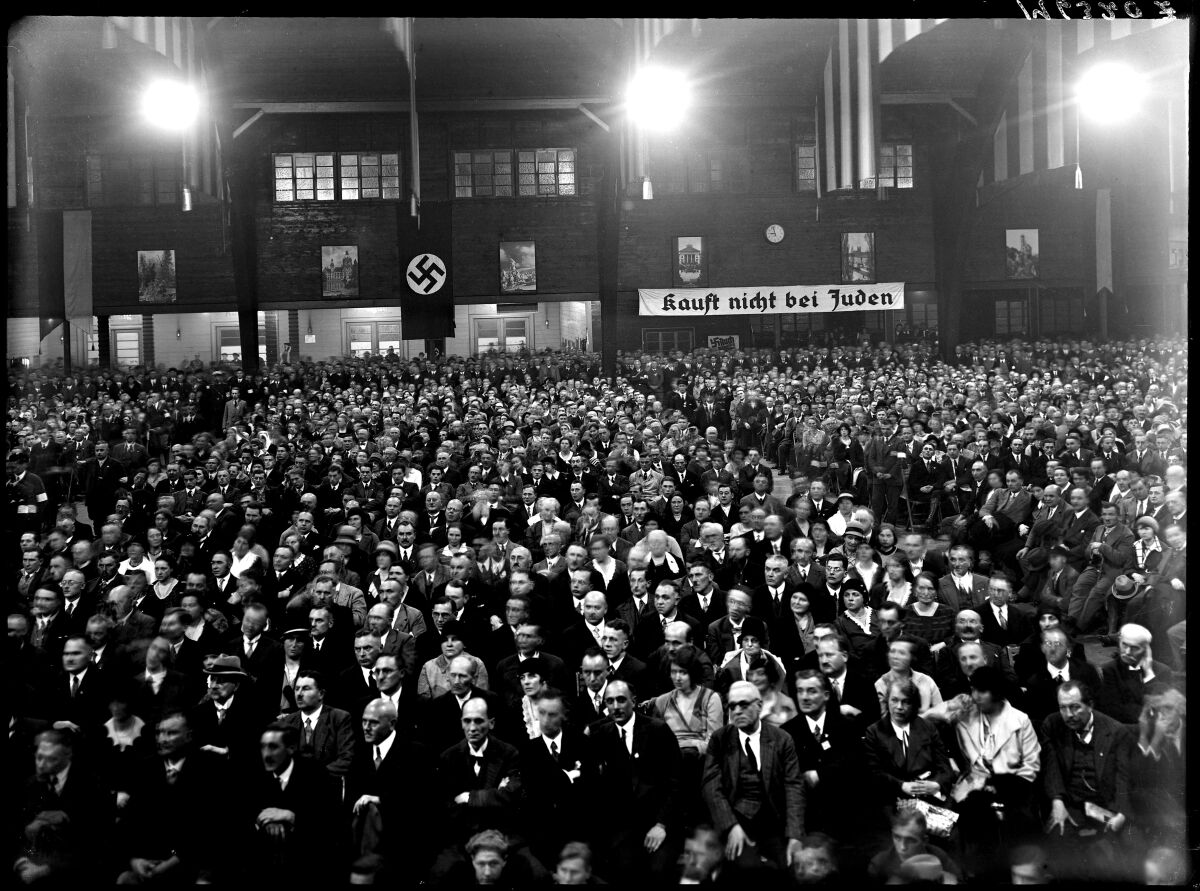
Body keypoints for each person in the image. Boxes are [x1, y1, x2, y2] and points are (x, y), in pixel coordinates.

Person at [701, 680, 806, 870]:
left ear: (759, 705)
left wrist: (794, 835)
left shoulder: (781, 739)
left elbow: (793, 787)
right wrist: (731, 826)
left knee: (791, 867)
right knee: (748, 869)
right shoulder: (720, 739)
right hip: (737, 820)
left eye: (744, 704)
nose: (737, 711)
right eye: (732, 706)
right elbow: (711, 787)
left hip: (773, 821)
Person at [584, 679, 682, 881]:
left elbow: (676, 782)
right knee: (622, 868)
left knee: (658, 870)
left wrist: (661, 825)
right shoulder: (601, 736)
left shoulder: (658, 730)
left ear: (633, 701)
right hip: (623, 828)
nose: (616, 707)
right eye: (609, 702)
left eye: (621, 700)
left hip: (658, 823)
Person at [1040, 681, 1133, 882]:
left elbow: (1123, 778)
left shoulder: (1116, 732)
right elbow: (1052, 767)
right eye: (1063, 708)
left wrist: (1122, 813)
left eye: (1075, 707)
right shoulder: (1053, 725)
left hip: (1105, 804)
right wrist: (1057, 800)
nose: (1068, 715)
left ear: (1090, 705)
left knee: (1108, 861)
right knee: (1060, 849)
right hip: (1071, 803)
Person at [863, 680, 954, 809]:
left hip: (928, 797)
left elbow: (945, 768)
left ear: (914, 704)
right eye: (894, 700)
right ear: (887, 701)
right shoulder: (874, 732)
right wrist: (902, 786)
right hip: (893, 799)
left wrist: (937, 784)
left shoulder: (928, 728)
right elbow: (874, 773)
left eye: (905, 701)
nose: (899, 706)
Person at [866, 810, 963, 883]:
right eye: (897, 838)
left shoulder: (938, 855)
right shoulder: (879, 864)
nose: (902, 847)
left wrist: (945, 877)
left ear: (924, 841)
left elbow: (958, 879)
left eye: (911, 840)